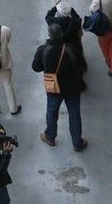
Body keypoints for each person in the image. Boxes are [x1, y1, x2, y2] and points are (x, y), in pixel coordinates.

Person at [32, 23, 88, 152]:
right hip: (73, 86)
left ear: (49, 34)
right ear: (61, 34)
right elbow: (81, 65)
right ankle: (77, 142)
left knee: (52, 111)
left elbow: (36, 67)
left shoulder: (43, 50)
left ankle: (50, 136)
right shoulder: (71, 48)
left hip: (53, 86)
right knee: (74, 113)